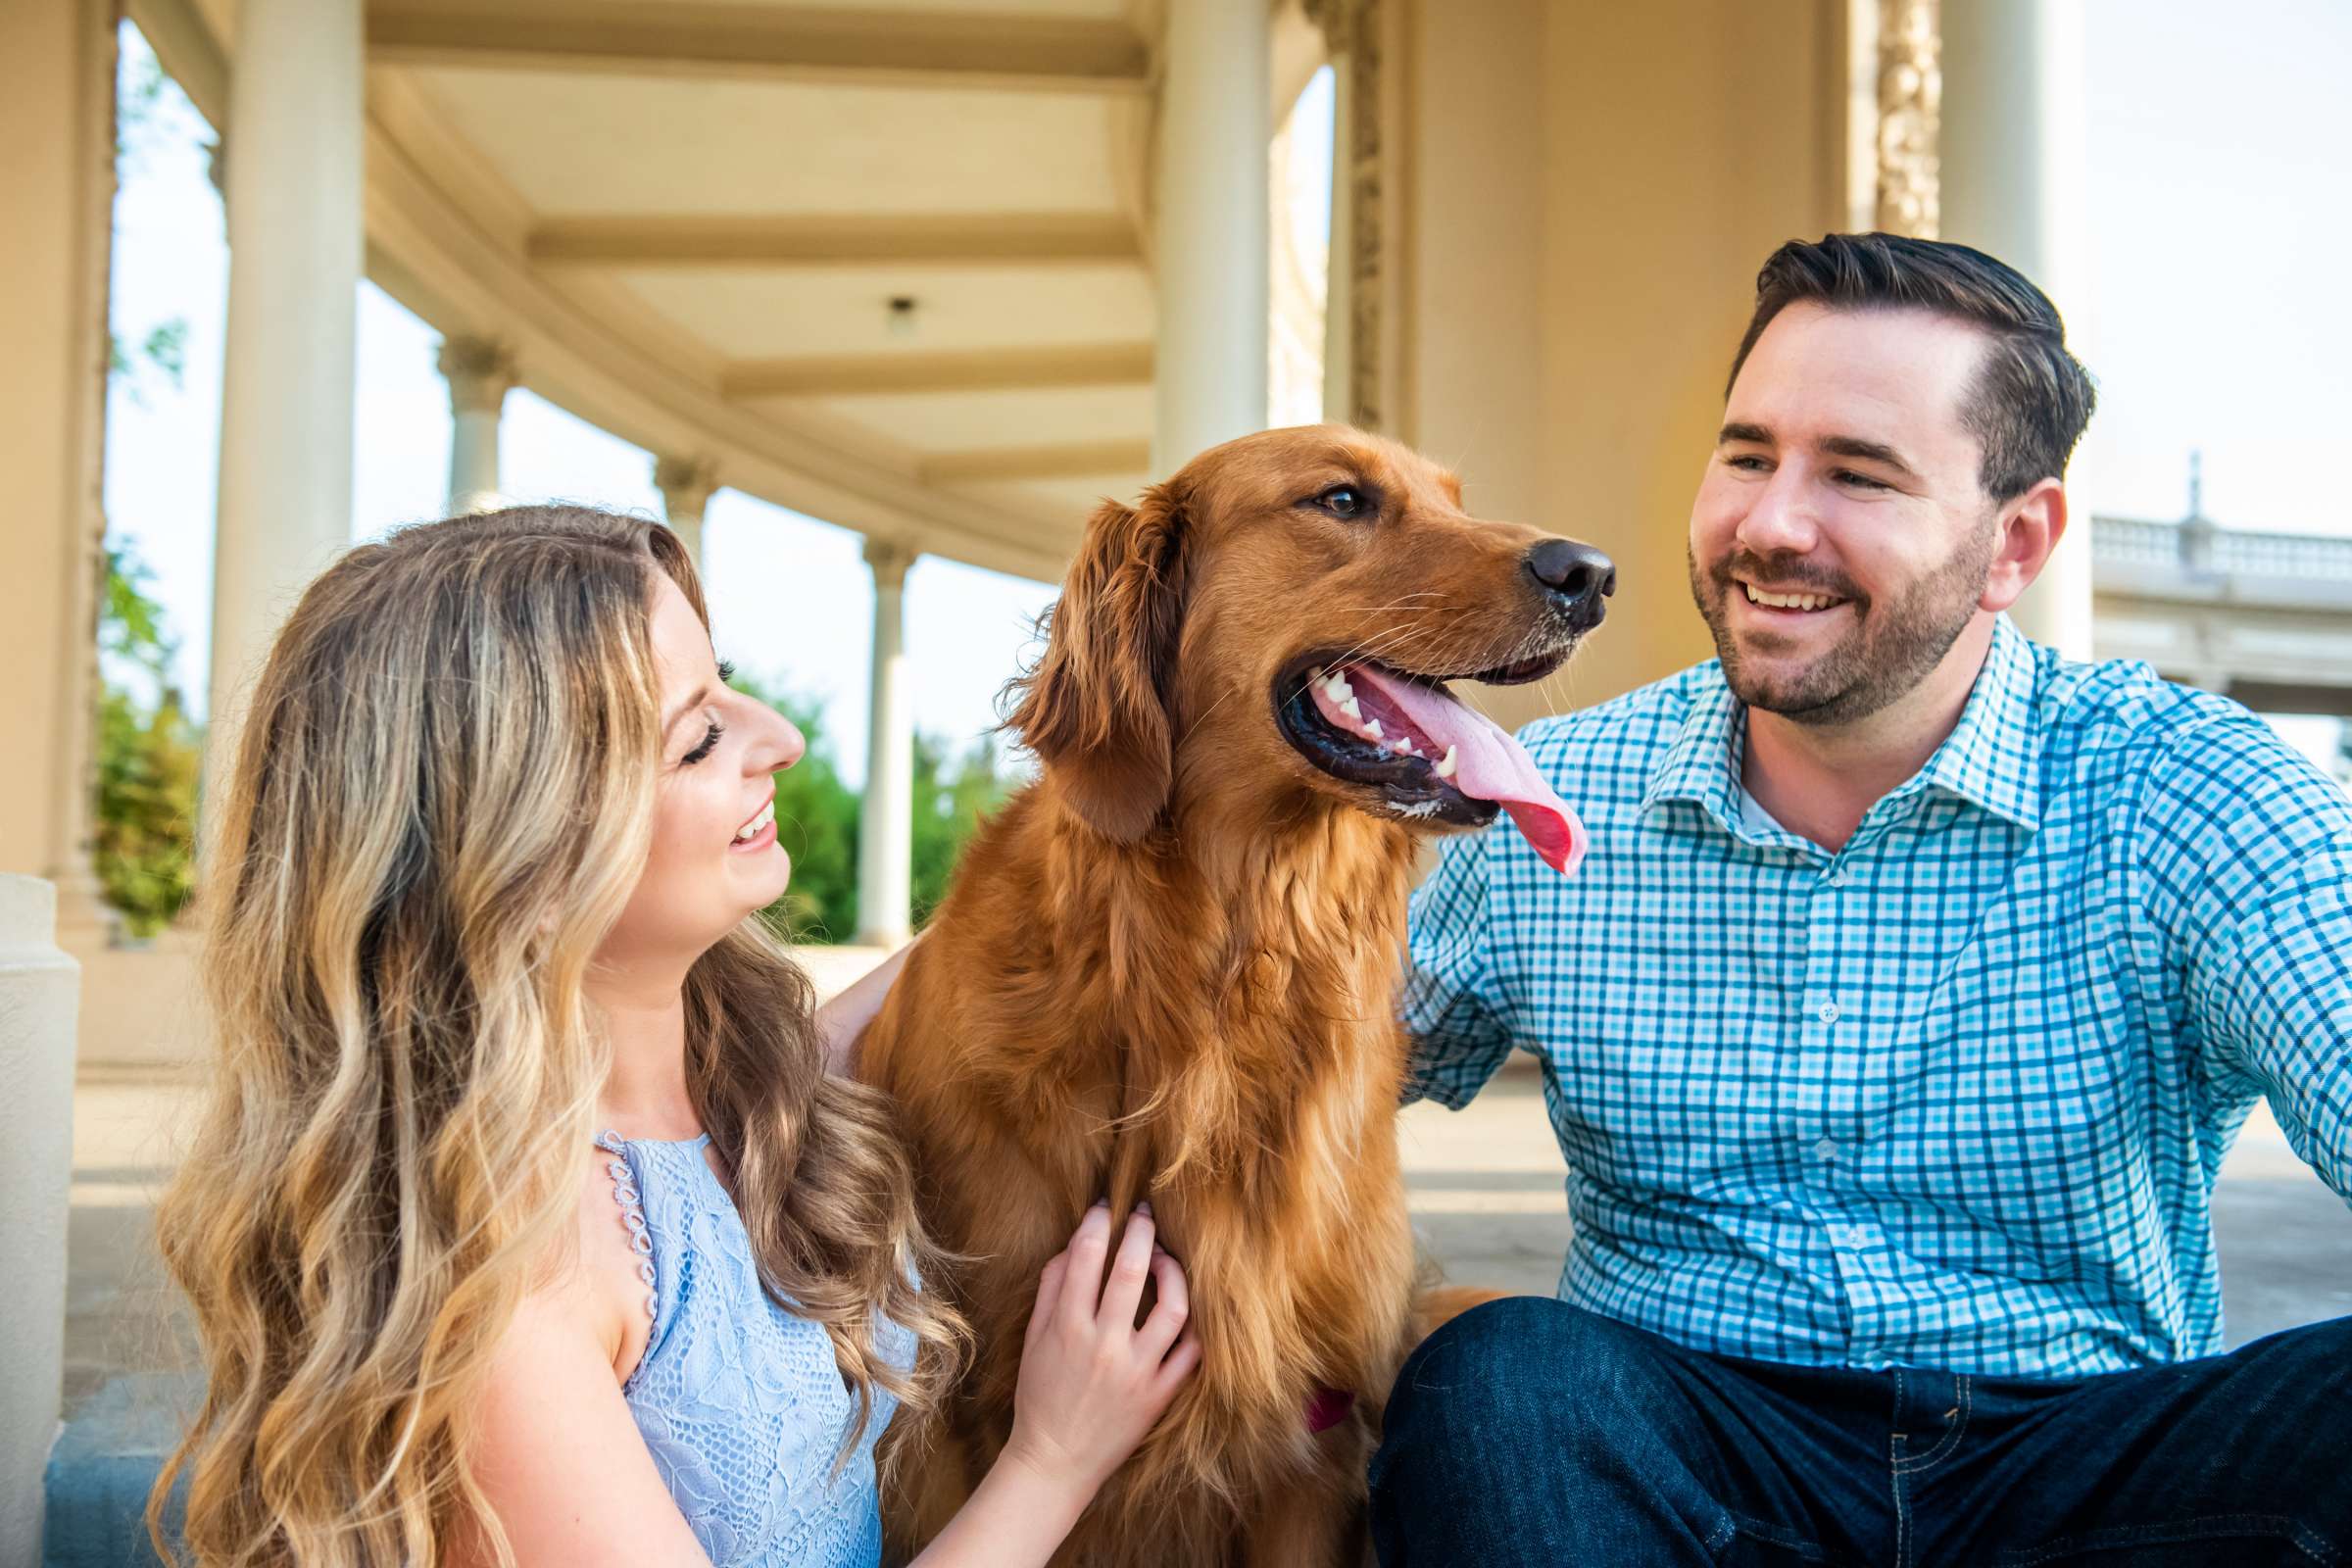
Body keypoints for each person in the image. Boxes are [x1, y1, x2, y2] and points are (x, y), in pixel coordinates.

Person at [1373, 233, 2352, 1565]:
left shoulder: (2185, 791)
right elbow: (1291, 1069)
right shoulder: (1551, 796)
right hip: (1686, 1466)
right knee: (1500, 1377)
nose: (1771, 524)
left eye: (1859, 474)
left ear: (2016, 542)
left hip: (2087, 1474)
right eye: (1748, 454)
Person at [150, 508, 1200, 1568]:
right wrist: (1054, 1460)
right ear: (528, 863)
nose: (779, 740)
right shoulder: (516, 1280)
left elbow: (1000, 942)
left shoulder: (744, 1080)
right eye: (699, 736)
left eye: (727, 683)